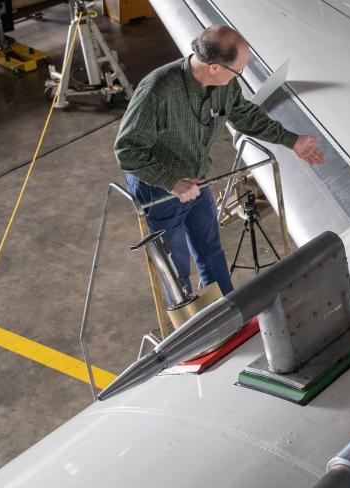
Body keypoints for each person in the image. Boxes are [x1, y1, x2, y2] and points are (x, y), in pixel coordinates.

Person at [114, 25, 325, 299]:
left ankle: (226, 309)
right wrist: (172, 183)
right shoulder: (157, 91)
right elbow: (127, 150)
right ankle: (190, 325)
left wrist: (292, 141)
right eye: (239, 70)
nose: (240, 76)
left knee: (210, 250)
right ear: (214, 67)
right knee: (175, 263)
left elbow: (245, 116)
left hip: (198, 181)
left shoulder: (224, 85)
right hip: (159, 190)